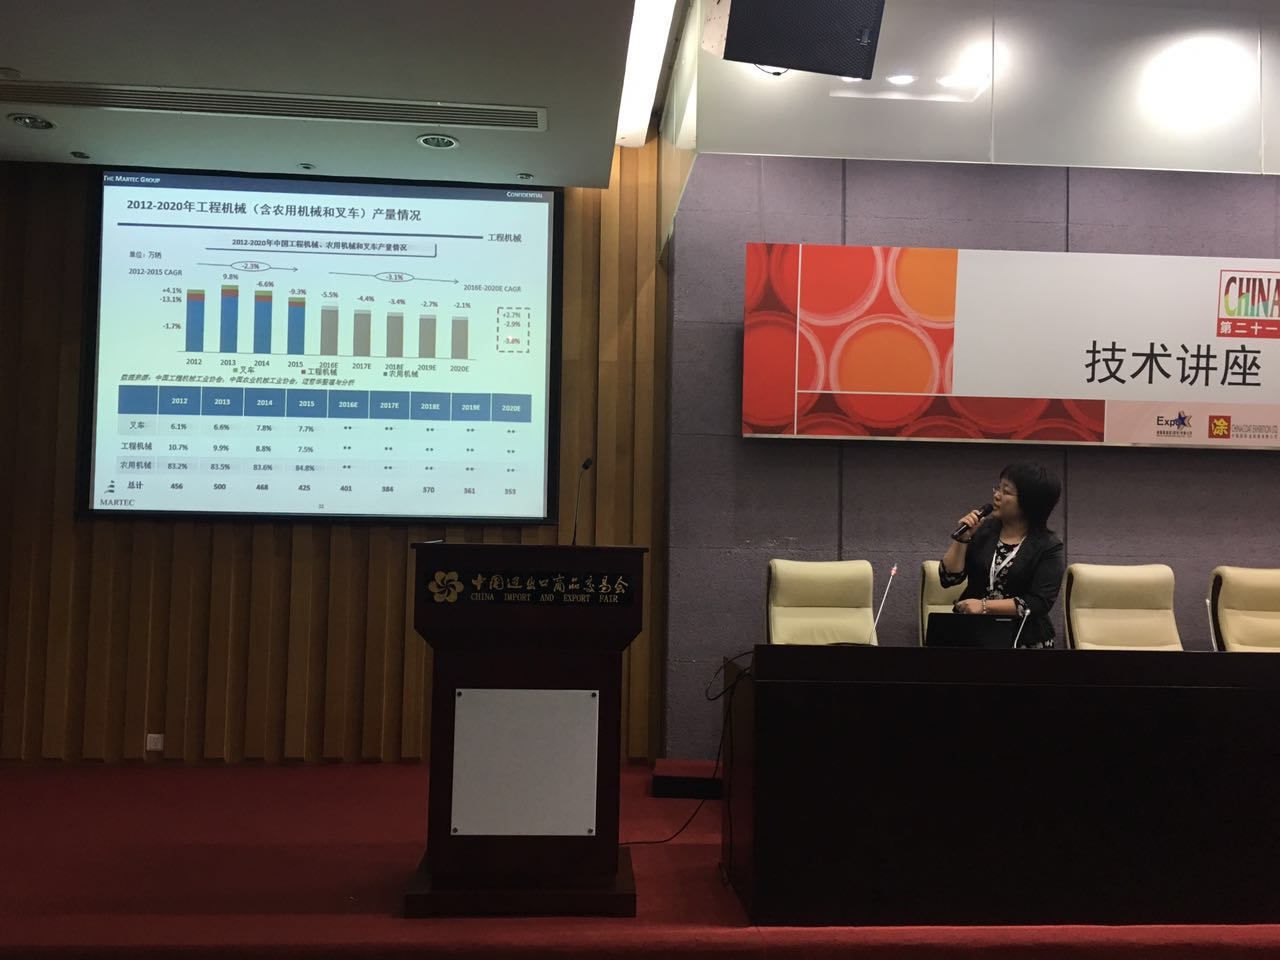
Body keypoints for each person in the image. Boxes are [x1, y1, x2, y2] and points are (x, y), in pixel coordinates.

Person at [939, 461, 1065, 648]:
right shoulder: (984, 531)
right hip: (973, 634)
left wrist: (984, 606)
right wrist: (962, 538)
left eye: (1006, 492)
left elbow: (1039, 602)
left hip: (1023, 638)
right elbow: (948, 578)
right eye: (998, 488)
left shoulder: (1048, 546)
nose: (996, 495)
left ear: (1030, 501)